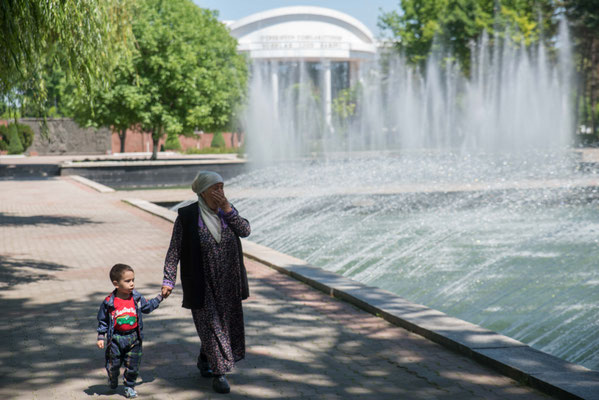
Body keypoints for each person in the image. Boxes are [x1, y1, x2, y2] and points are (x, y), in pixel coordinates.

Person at [161, 170, 250, 394]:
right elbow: (175, 250)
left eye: (222, 187)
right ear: (202, 191)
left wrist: (228, 210)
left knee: (224, 326)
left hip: (229, 281)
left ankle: (205, 358)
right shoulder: (188, 216)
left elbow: (245, 231)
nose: (220, 192)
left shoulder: (228, 211)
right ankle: (219, 374)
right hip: (202, 282)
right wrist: (168, 280)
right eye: (215, 188)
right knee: (211, 325)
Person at [97, 263, 163, 398]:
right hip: (115, 339)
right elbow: (103, 320)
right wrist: (100, 336)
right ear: (116, 284)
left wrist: (160, 297)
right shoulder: (109, 302)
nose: (132, 284)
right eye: (127, 281)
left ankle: (129, 386)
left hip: (134, 338)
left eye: (133, 280)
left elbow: (147, 307)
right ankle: (113, 377)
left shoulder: (136, 298)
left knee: (133, 365)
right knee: (113, 365)